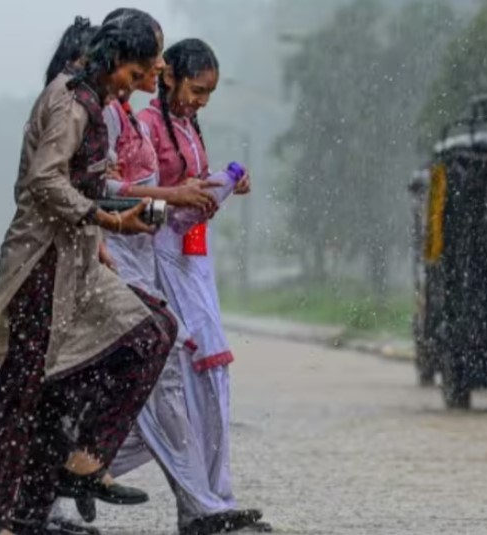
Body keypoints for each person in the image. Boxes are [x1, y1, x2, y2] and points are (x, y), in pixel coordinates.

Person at [0, 13, 175, 535]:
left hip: (77, 258)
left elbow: (84, 183)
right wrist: (104, 219)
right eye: (138, 70)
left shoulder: (95, 101)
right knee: (24, 385)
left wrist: (109, 225)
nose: (140, 82)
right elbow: (43, 182)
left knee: (150, 331)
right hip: (41, 262)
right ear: (113, 59)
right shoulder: (70, 100)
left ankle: (77, 468)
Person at [136, 39, 272, 535]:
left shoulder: (189, 125)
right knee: (178, 384)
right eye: (197, 90)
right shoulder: (145, 127)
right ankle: (202, 504)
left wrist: (223, 183)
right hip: (159, 262)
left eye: (209, 94)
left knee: (210, 382)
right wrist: (182, 198)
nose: (201, 102)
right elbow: (137, 202)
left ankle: (213, 499)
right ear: (167, 76)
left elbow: (190, 190)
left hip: (195, 261)